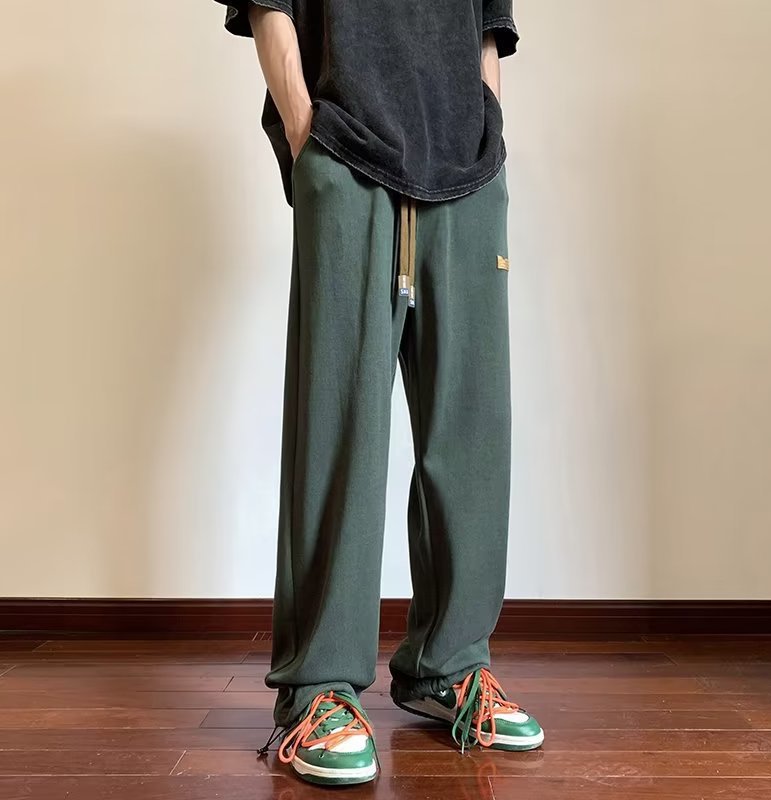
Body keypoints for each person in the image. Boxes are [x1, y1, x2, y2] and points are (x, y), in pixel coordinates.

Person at [214, 0, 543, 786]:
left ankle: (448, 665)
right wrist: (306, 133)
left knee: (472, 431)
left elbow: (488, 22)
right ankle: (318, 688)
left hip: (468, 167)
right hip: (346, 150)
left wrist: (487, 129)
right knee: (339, 428)